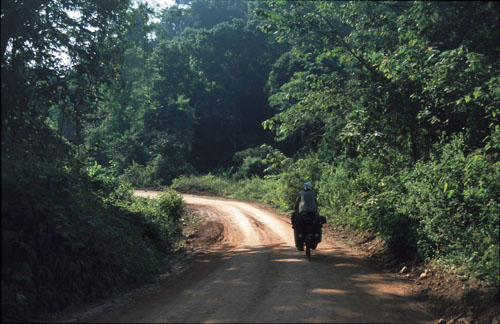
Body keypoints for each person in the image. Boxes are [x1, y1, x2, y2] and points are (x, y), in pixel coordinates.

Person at [292, 182, 320, 251]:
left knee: (297, 226)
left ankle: (299, 243)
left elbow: (296, 203)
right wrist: (317, 212)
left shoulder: (300, 193)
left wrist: (295, 211)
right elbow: (316, 203)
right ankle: (314, 241)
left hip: (303, 213)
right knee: (317, 225)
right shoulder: (313, 193)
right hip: (313, 213)